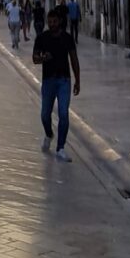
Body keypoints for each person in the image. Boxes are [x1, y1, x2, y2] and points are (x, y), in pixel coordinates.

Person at [33, 8, 80, 162]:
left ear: (59, 21)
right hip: (48, 81)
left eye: (54, 21)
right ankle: (49, 134)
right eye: (50, 21)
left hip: (64, 81)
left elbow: (74, 59)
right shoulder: (42, 38)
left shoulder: (67, 38)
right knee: (45, 114)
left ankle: (60, 147)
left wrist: (77, 80)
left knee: (64, 114)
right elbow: (35, 58)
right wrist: (43, 58)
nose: (52, 24)